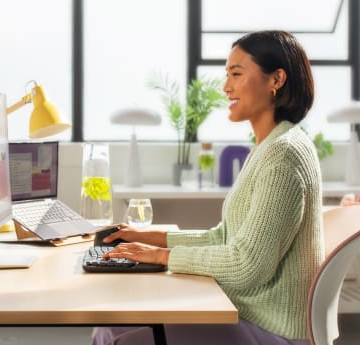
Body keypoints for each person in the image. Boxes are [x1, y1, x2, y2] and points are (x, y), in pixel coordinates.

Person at [91, 30, 323, 345]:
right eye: (227, 75)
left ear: (276, 80)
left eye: (237, 74)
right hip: (247, 312)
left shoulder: (283, 155)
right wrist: (149, 236)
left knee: (115, 335)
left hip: (271, 330)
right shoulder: (270, 146)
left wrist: (161, 256)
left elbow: (247, 266)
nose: (226, 87)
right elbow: (224, 238)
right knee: (113, 324)